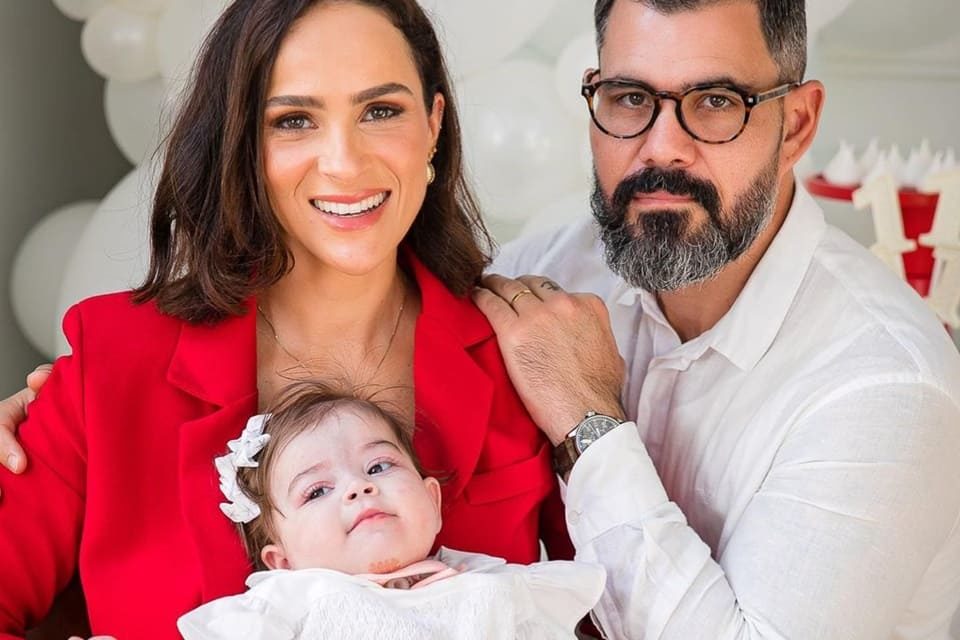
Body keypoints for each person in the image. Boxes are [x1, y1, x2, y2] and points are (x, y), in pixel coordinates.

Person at [0, 1, 572, 638]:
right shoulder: (111, 361)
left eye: (380, 111)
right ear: (242, 143)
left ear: (434, 125)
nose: (345, 163)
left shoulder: (522, 354)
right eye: (294, 120)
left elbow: (617, 614)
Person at [471, 0, 960, 639]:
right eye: (628, 97)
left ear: (797, 124)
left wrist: (585, 419)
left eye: (716, 102)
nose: (662, 148)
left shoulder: (889, 385)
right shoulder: (543, 271)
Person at [175, 383, 604, 639]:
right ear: (282, 561)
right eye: (317, 491)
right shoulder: (290, 604)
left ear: (432, 502)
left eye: (379, 466)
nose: (360, 487)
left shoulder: (502, 586)